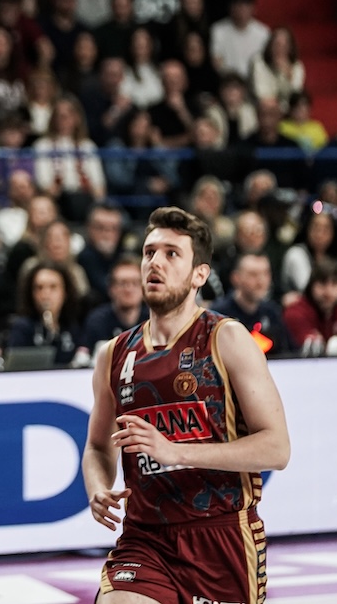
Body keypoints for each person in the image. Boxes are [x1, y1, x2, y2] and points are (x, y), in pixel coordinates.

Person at [83, 206, 290, 604]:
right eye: (149, 252)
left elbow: (277, 448)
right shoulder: (114, 354)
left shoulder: (227, 339)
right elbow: (97, 446)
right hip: (145, 537)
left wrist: (175, 452)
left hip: (222, 537)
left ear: (200, 274)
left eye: (171, 254)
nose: (155, 262)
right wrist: (97, 488)